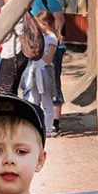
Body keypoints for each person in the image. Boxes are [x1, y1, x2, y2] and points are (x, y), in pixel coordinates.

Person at [29, 0, 67, 129]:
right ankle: (38, 119)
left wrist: (54, 37)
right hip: (37, 46)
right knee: (36, 86)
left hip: (50, 48)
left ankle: (55, 122)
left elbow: (60, 19)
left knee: (52, 84)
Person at [0, 0, 34, 97]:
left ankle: (7, 115)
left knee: (5, 90)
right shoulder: (15, 6)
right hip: (15, 53)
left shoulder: (11, 8)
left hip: (12, 53)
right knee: (11, 90)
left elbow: (19, 29)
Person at [25, 10, 59, 138]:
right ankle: (34, 126)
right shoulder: (40, 36)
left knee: (46, 100)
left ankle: (48, 128)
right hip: (35, 70)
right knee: (33, 99)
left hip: (45, 70)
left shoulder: (51, 38)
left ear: (46, 24)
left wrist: (37, 55)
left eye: (40, 24)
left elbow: (48, 58)